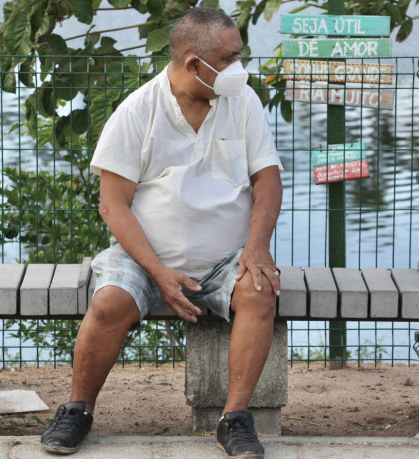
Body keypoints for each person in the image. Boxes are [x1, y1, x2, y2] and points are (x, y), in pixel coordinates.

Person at [39, 7, 283, 458]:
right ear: (194, 64)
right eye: (229, 59)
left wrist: (257, 247)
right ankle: (77, 410)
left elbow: (267, 179)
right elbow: (112, 205)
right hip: (144, 258)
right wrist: (159, 272)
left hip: (227, 257)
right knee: (110, 300)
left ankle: (235, 420)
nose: (238, 69)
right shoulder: (138, 110)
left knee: (259, 290)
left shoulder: (243, 101)